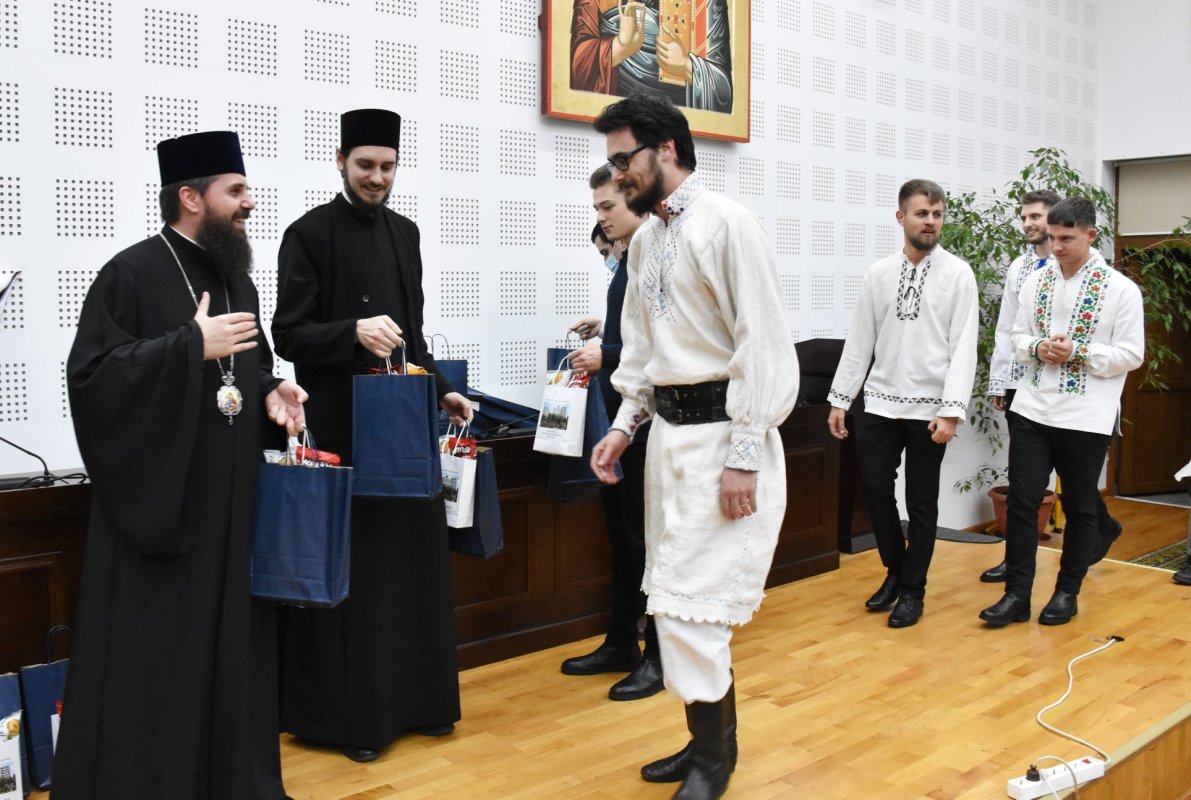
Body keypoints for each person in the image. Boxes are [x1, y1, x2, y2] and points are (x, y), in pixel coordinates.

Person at [57, 130, 306, 799]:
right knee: (164, 657)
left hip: (234, 505)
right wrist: (186, 345)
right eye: (236, 190)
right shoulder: (131, 274)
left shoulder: (236, 278)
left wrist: (271, 391)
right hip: (166, 512)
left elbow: (248, 370)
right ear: (191, 198)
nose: (249, 202)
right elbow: (93, 380)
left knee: (235, 649)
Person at [589, 93, 798, 800]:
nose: (617, 174)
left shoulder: (729, 224)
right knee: (672, 601)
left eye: (624, 159)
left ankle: (715, 760)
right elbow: (643, 352)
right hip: (669, 444)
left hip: (723, 442)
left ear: (667, 150)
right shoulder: (646, 242)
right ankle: (705, 741)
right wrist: (623, 426)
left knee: (692, 608)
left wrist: (744, 454)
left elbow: (763, 344)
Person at [272, 108, 470, 762]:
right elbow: (288, 335)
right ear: (340, 161)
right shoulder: (307, 234)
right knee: (357, 578)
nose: (377, 177)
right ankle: (354, 723)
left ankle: (422, 704)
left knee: (410, 572)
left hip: (404, 431)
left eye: (387, 166)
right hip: (343, 435)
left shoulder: (406, 234)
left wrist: (440, 387)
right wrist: (351, 332)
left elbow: (414, 335)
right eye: (365, 166)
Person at [980, 197, 1145, 626]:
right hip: (1032, 408)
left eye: (1066, 238)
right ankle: (1016, 596)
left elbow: (1132, 354)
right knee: (1023, 502)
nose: (1056, 247)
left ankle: (1066, 592)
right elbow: (1016, 336)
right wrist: (1037, 347)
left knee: (1080, 505)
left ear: (1091, 235)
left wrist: (1079, 352)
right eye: (1052, 237)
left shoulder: (1120, 289)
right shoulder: (1035, 281)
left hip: (1086, 415)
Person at [827, 179, 978, 629]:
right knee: (875, 488)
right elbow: (860, 340)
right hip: (880, 401)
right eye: (921, 213)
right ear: (901, 217)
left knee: (921, 501)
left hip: (931, 407)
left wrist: (951, 409)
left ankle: (914, 590)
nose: (930, 222)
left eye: (937, 214)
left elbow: (964, 347)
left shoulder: (958, 274)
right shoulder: (878, 273)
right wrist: (841, 398)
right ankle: (895, 569)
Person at [560, 165, 661, 701]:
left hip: (652, 424)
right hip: (623, 423)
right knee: (623, 540)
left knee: (651, 543)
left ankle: (659, 656)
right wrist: (611, 340)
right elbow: (636, 336)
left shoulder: (657, 257)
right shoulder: (627, 260)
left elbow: (666, 350)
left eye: (607, 208)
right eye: (596, 207)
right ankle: (622, 641)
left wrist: (609, 354)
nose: (599, 218)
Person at [570, 0, 733, 112]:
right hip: (620, 115)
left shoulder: (708, 4)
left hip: (674, 122)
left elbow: (723, 91)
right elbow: (577, 67)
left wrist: (686, 66)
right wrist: (619, 47)